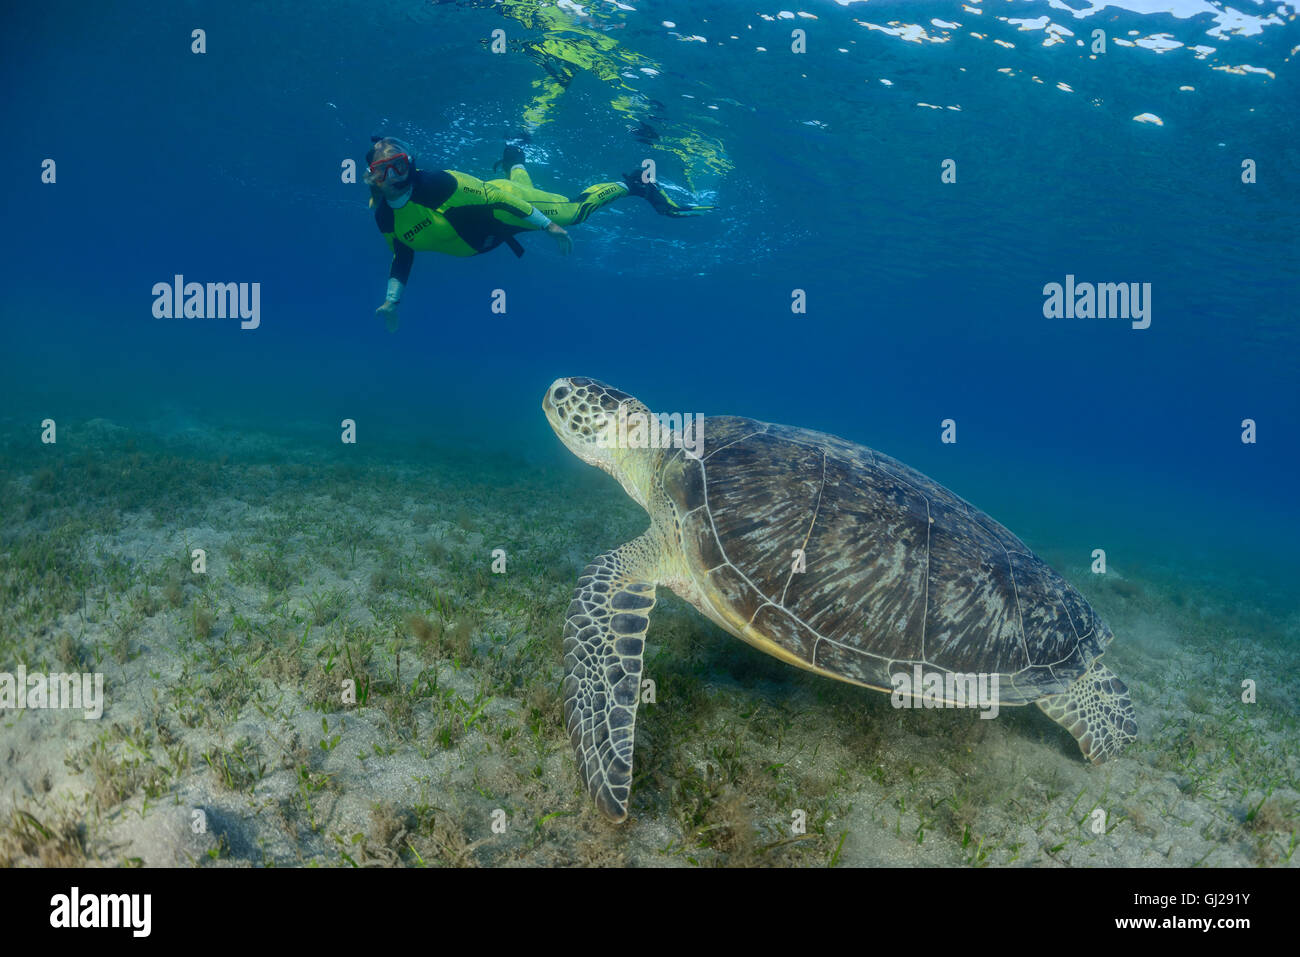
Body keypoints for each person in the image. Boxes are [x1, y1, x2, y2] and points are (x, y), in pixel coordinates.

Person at [364, 136, 713, 330]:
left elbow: (497, 198)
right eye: (385, 170)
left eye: (401, 165)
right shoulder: (385, 218)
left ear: (411, 163)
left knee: (574, 211)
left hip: (509, 210)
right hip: (494, 223)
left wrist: (550, 226)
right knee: (517, 183)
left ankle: (635, 184)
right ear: (374, 177)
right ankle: (515, 154)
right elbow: (403, 253)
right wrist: (392, 301)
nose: (396, 175)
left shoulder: (438, 183)